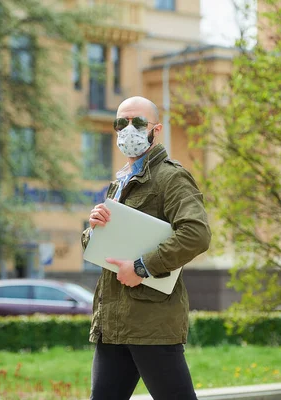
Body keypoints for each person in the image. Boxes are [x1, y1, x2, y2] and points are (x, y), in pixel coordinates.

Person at [81, 96, 211, 400]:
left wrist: (142, 267)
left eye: (138, 122)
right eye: (121, 123)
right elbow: (103, 245)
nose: (129, 130)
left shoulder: (170, 177)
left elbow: (197, 234)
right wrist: (93, 228)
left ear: (156, 129)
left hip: (151, 324)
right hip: (113, 323)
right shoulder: (119, 183)